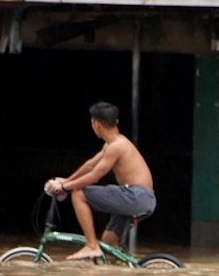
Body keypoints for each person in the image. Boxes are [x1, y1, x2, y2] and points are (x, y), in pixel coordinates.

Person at [46, 102, 156, 260]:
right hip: (140, 198)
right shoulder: (114, 143)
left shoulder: (116, 147)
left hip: (135, 196)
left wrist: (65, 187)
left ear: (96, 124)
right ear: (116, 122)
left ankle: (91, 245)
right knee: (108, 247)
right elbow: (90, 165)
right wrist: (67, 180)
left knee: (79, 193)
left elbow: (95, 176)